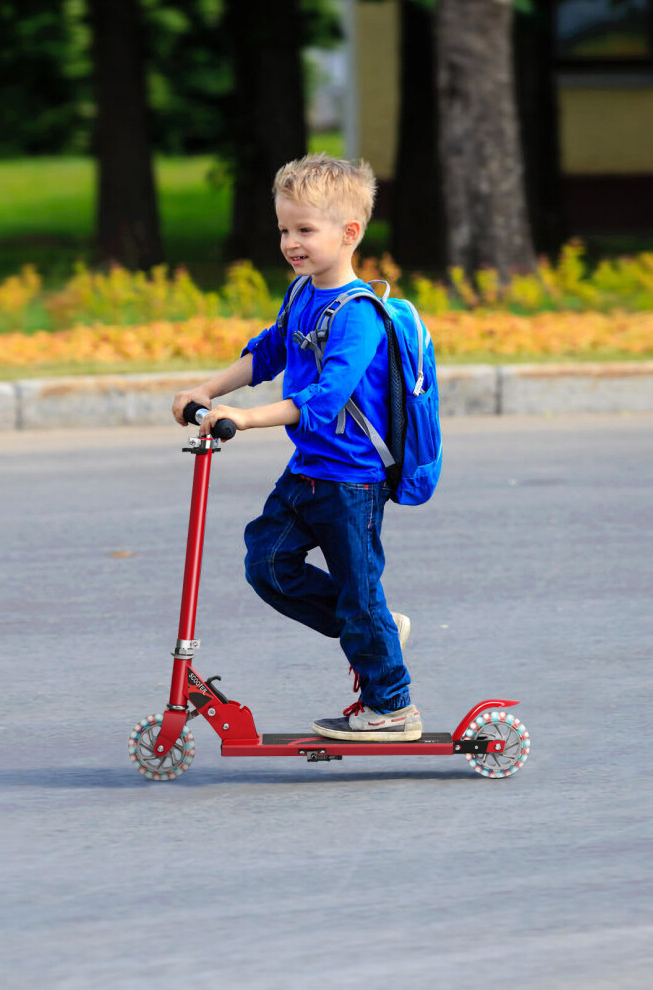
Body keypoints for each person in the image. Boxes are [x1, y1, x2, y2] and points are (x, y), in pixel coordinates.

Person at [172, 153, 420, 742]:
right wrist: (207, 389)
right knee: (268, 565)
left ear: (349, 232)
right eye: (285, 229)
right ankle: (377, 628)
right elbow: (270, 352)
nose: (291, 242)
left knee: (359, 594)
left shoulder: (359, 315)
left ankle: (393, 708)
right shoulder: (301, 293)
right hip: (307, 470)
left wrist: (245, 417)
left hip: (350, 482)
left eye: (305, 230)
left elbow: (323, 399)